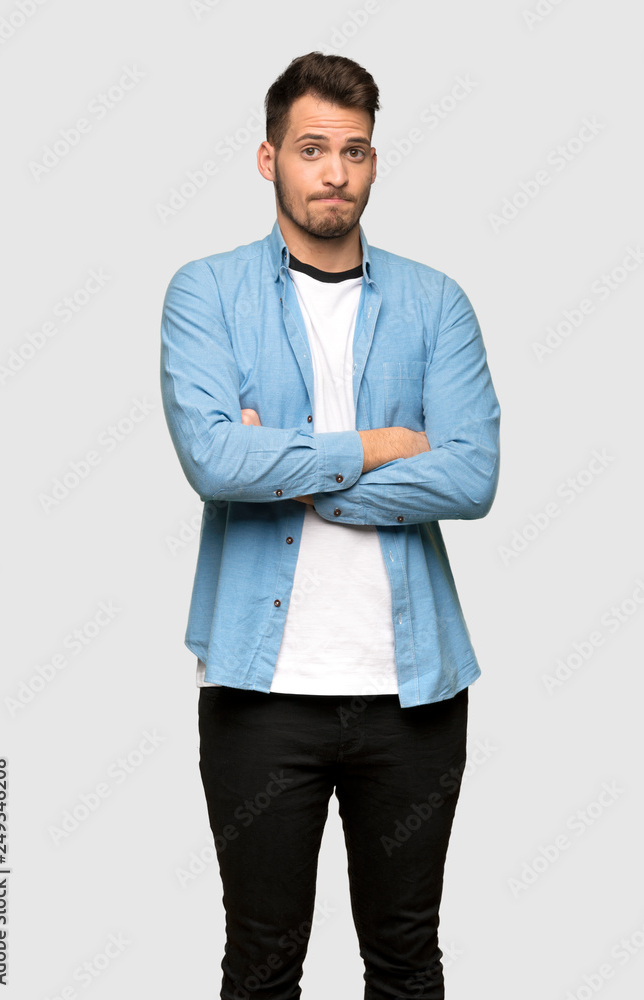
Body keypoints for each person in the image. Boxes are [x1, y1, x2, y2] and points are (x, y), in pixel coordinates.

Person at [160, 51, 500, 1000]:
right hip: (259, 691)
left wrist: (297, 473)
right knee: (261, 967)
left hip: (414, 694)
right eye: (311, 149)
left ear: (374, 162)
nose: (334, 173)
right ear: (268, 159)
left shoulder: (435, 302)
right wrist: (383, 446)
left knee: (406, 962)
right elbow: (214, 461)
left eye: (353, 151)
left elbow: (471, 475)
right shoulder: (206, 292)